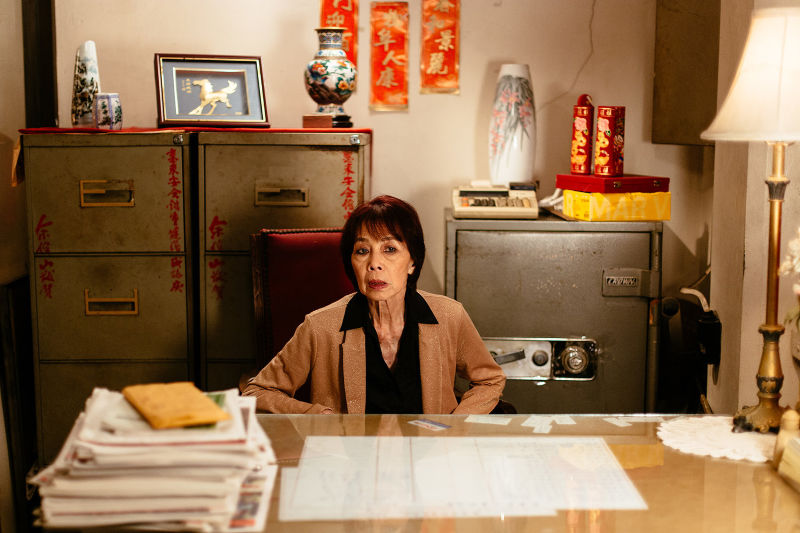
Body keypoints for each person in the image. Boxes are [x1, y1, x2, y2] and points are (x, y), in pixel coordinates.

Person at [242, 195, 506, 414]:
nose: (374, 264)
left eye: (389, 249)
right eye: (362, 250)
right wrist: (316, 415)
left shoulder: (450, 316)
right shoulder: (321, 326)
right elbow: (257, 391)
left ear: (412, 262)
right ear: (351, 263)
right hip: (349, 465)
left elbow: (490, 380)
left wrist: (455, 425)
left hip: (429, 460)